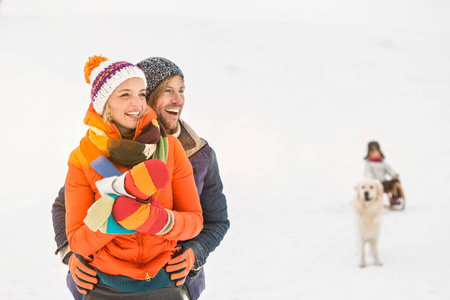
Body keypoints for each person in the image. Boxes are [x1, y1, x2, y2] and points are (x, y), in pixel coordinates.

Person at [52, 57, 230, 300]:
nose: (177, 99)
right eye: (167, 91)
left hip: (169, 280)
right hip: (102, 282)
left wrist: (188, 250)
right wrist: (75, 252)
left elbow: (211, 220)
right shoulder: (86, 157)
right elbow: (68, 216)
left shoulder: (188, 151)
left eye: (141, 93)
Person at [364, 141, 405, 207]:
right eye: (373, 152)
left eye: (377, 152)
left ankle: (394, 198)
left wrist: (394, 175)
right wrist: (371, 179)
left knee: (396, 182)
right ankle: (373, 201)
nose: (375, 154)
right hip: (375, 184)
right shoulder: (369, 164)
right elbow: (367, 173)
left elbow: (389, 170)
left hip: (383, 182)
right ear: (369, 154)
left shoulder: (382, 163)